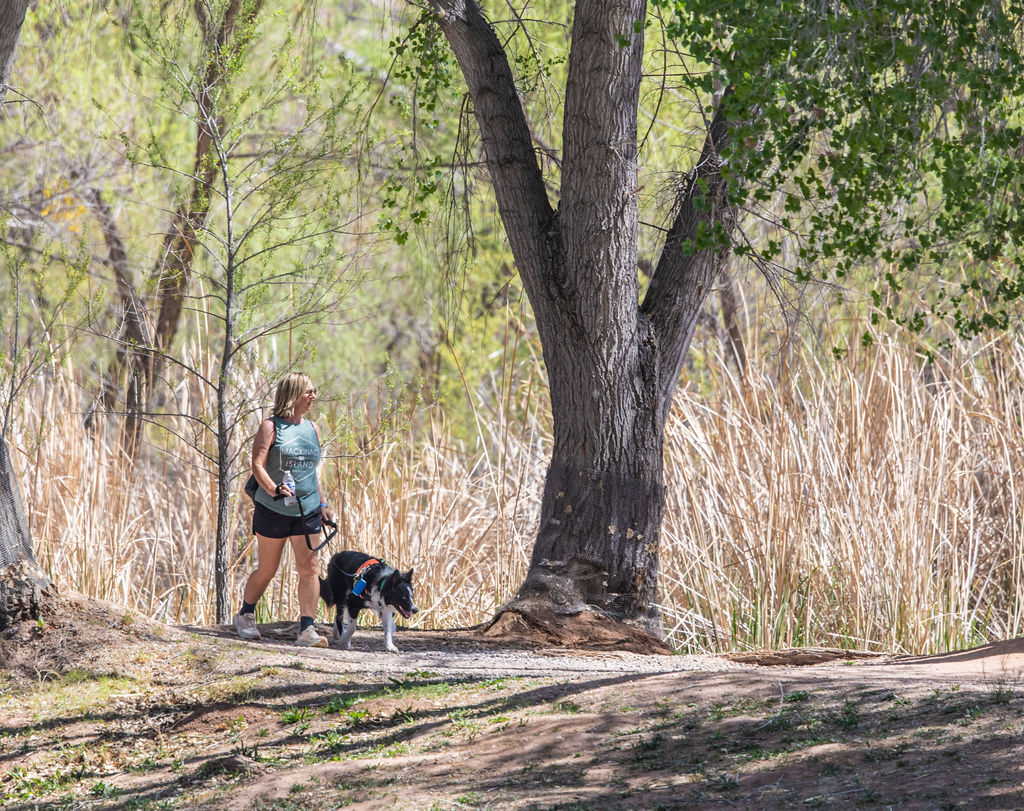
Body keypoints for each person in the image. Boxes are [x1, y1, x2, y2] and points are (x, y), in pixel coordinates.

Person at [233, 372, 333, 647]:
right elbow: (257, 464)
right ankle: (245, 615)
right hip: (274, 509)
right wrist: (273, 489)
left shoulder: (312, 428)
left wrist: (322, 504)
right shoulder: (270, 426)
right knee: (268, 568)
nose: (313, 396)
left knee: (309, 569)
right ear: (294, 394)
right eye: (309, 391)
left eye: (314, 391)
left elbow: (312, 472)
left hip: (307, 509)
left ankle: (307, 630)